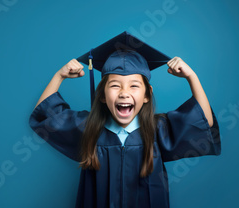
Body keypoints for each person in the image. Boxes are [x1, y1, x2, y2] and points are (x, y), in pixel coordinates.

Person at [29, 32, 221, 208]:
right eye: (115, 85)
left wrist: (191, 77)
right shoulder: (89, 128)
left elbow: (204, 120)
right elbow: (47, 114)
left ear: (147, 95)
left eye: (134, 86)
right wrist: (59, 76)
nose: (124, 93)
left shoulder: (158, 129)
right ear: (102, 95)